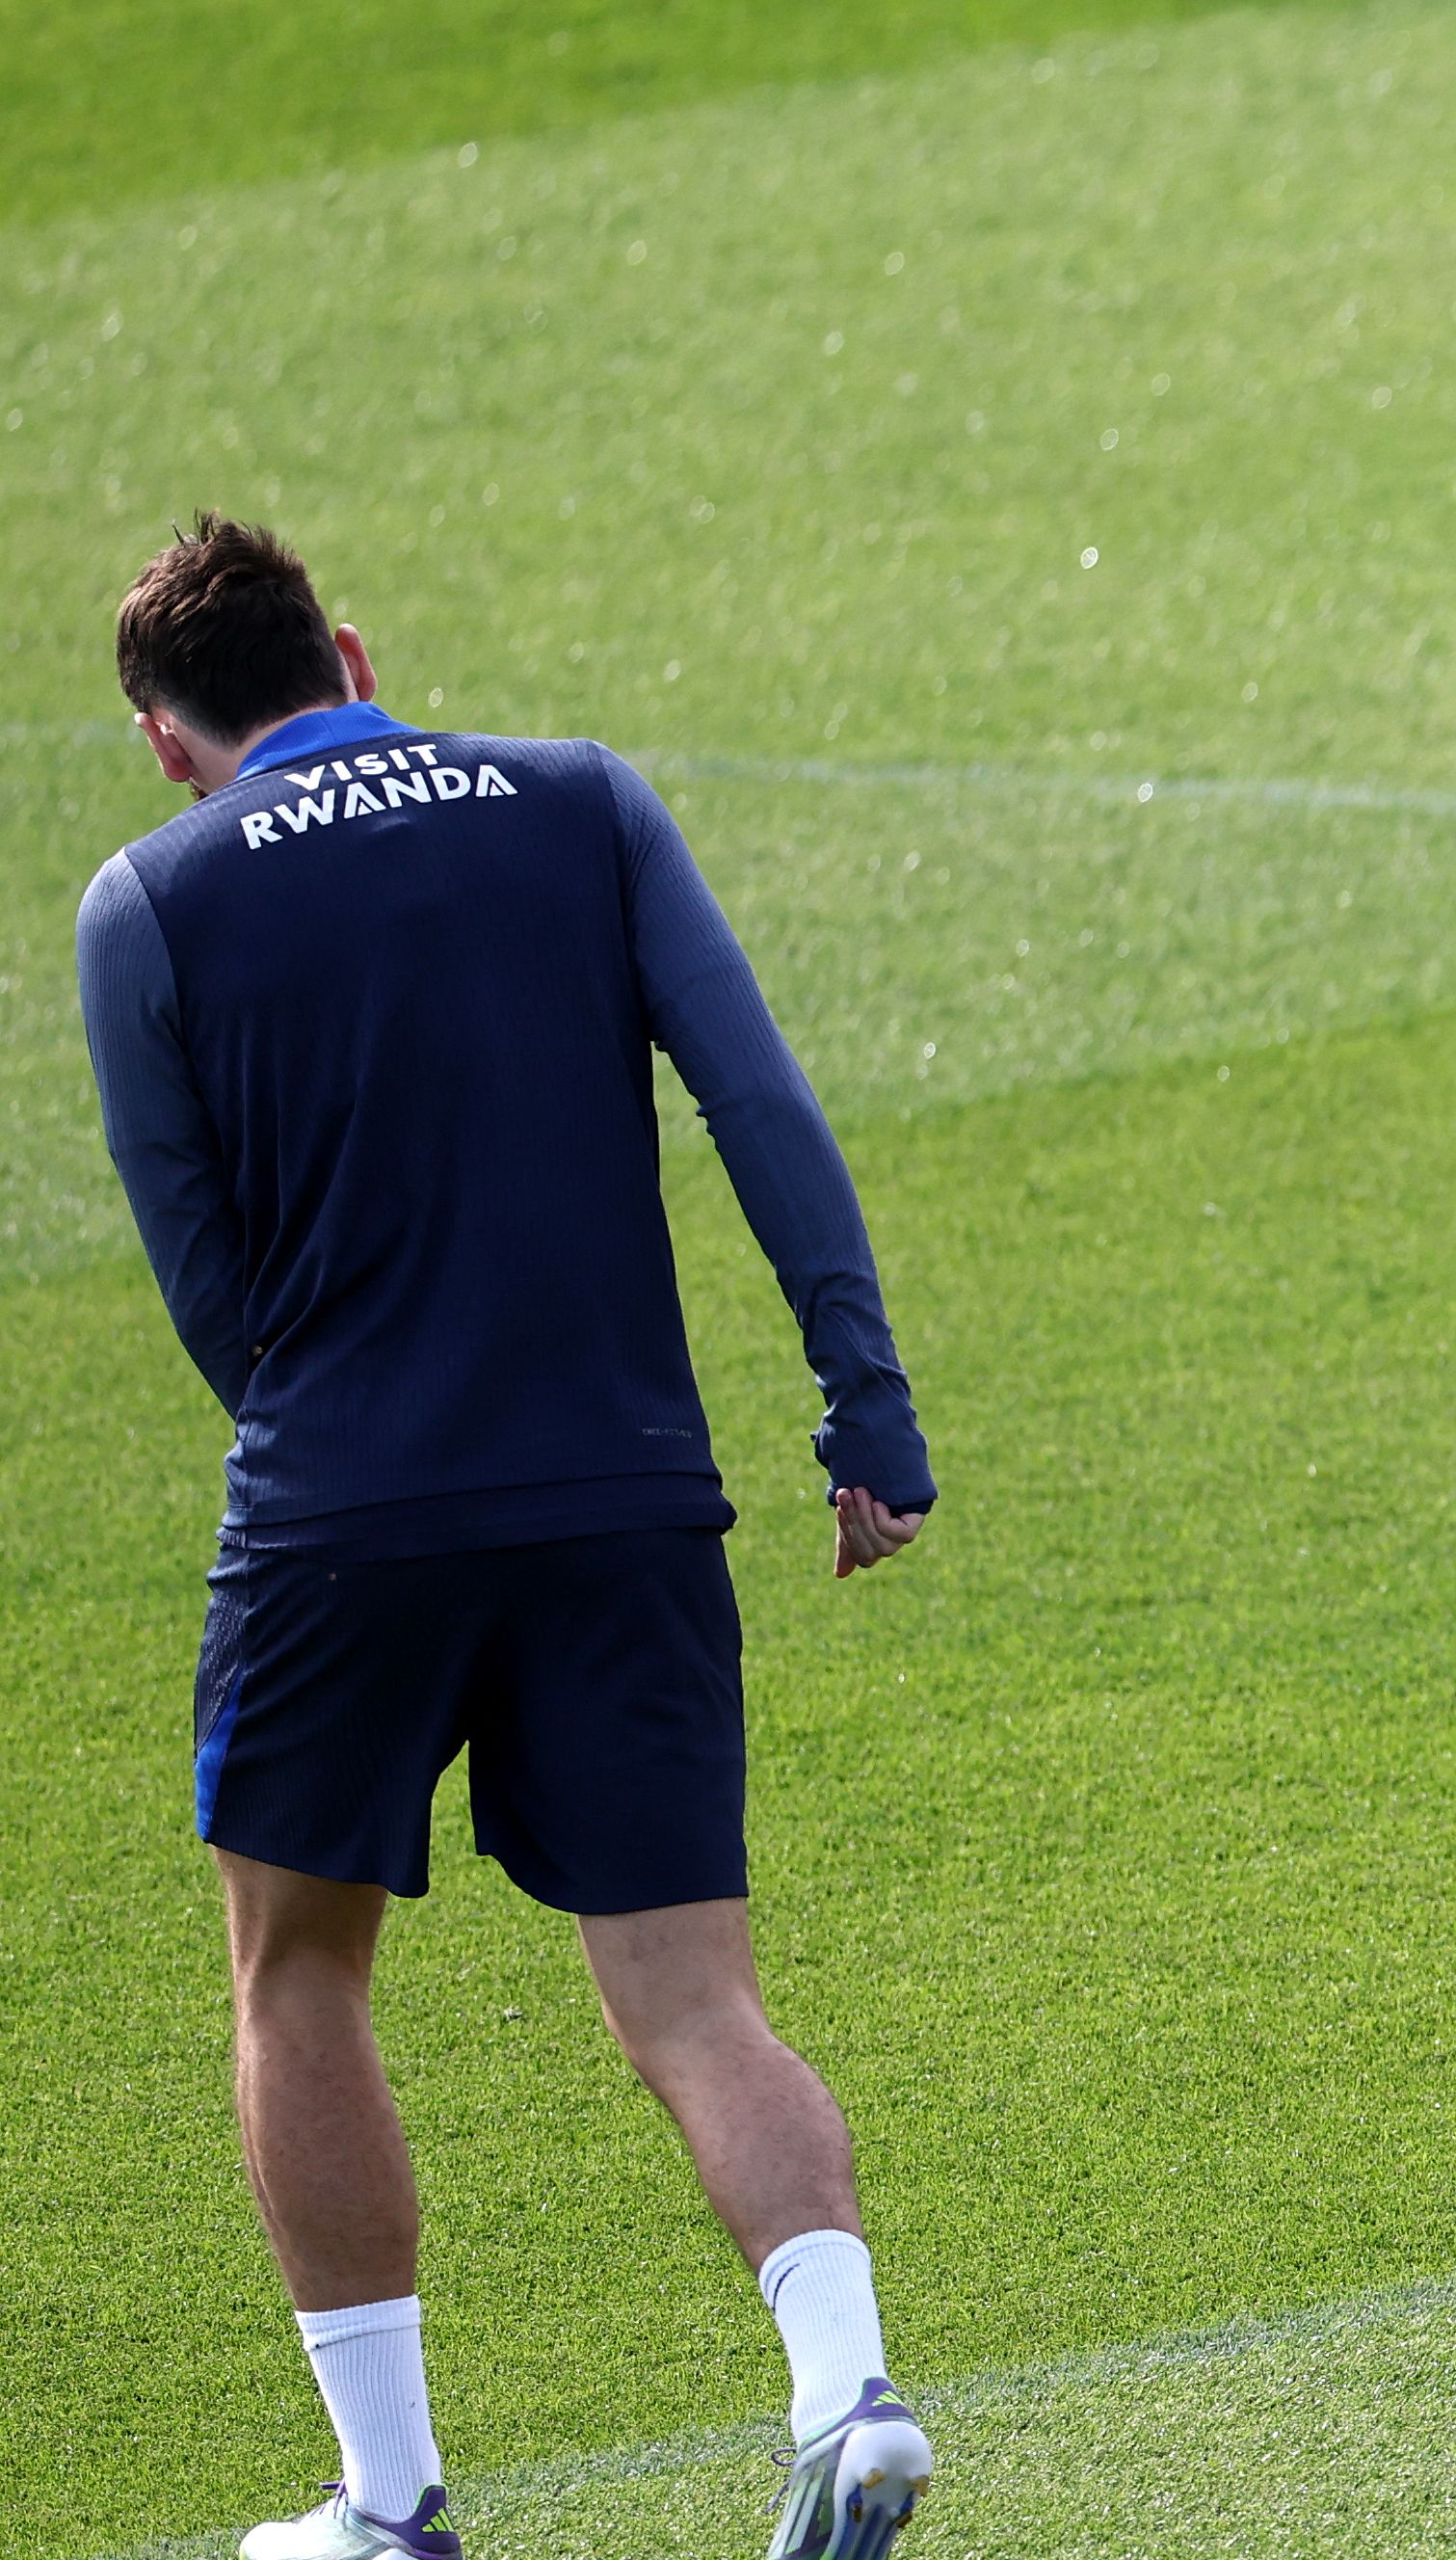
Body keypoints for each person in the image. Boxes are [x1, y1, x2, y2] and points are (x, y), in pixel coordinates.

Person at [82, 518, 944, 2560]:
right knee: (696, 2001)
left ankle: (390, 2501)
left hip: (342, 1513)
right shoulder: (580, 800)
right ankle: (847, 2390)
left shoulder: (151, 902)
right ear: (354, 654)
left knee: (298, 1973)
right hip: (624, 1494)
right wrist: (864, 1403)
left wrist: (351, 1453)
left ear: (166, 743)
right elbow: (757, 1102)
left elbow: (206, 1281)